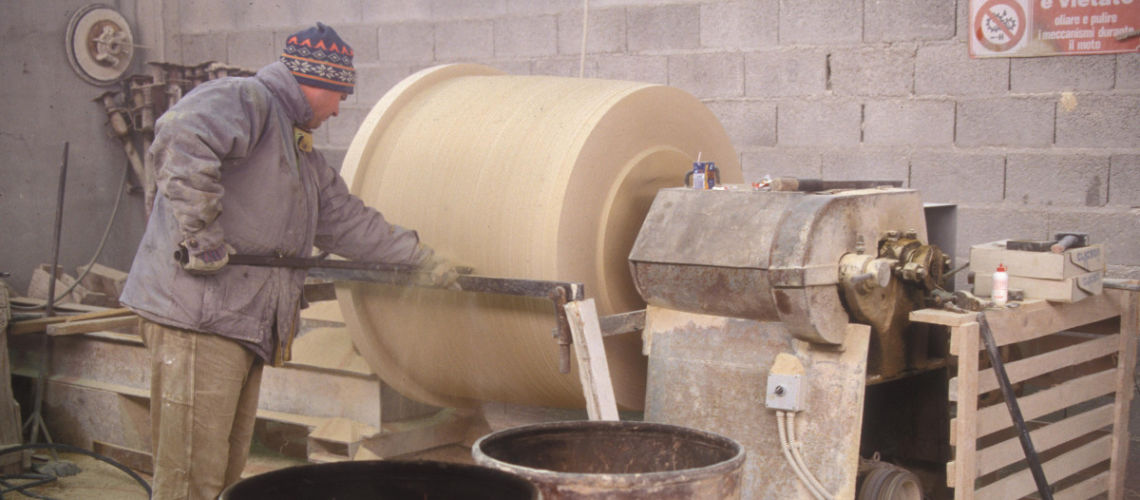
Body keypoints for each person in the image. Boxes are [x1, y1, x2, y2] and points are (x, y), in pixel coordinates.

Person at [119, 23, 454, 499]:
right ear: (314, 82)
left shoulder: (299, 151)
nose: (338, 108)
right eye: (338, 94)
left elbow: (348, 221)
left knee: (223, 472)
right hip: (198, 319)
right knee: (192, 477)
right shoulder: (248, 100)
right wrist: (201, 234)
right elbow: (181, 133)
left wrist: (420, 259)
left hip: (234, 322)